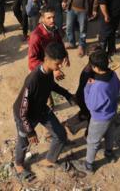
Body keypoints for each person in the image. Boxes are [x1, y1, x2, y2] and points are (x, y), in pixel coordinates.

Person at [12, 42, 75, 181]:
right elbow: (22, 110)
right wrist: (30, 131)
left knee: (60, 134)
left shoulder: (48, 71)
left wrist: (67, 94)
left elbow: (51, 85)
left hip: (41, 109)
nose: (59, 67)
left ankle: (50, 160)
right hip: (25, 116)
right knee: (23, 143)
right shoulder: (32, 80)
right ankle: (18, 164)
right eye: (57, 64)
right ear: (46, 59)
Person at [74, 50, 120, 175]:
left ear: (95, 67)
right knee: (109, 134)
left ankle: (88, 165)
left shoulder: (98, 86)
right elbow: (117, 89)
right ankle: (109, 153)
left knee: (93, 141)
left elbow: (91, 106)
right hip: (112, 112)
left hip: (100, 118)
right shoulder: (113, 75)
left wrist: (88, 87)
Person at [27, 6, 69, 73]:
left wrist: (65, 55)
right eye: (48, 18)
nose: (52, 20)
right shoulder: (35, 36)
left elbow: (59, 42)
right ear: (42, 19)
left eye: (53, 17)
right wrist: (51, 66)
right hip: (39, 71)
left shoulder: (54, 28)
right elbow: (32, 61)